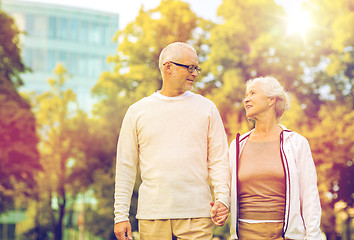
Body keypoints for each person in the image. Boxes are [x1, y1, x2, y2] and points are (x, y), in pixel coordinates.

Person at [114, 42, 230, 240]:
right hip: (152, 215)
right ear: (168, 67)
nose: (195, 73)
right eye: (190, 67)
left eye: (197, 68)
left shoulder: (207, 108)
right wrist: (120, 216)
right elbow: (125, 167)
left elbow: (219, 160)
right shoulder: (137, 111)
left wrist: (223, 199)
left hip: (197, 214)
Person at [221, 76, 322, 239]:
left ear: (271, 100)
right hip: (245, 234)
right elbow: (225, 187)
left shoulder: (296, 143)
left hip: (285, 235)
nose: (246, 100)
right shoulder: (237, 145)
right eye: (246, 95)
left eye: (252, 93)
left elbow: (309, 195)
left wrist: (313, 236)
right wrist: (221, 204)